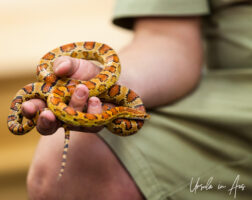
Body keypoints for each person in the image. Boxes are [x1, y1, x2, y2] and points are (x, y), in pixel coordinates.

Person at [24, 0, 252, 199]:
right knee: (68, 163)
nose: (139, 115)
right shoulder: (122, 109)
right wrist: (99, 79)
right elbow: (165, 37)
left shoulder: (127, 116)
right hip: (226, 94)